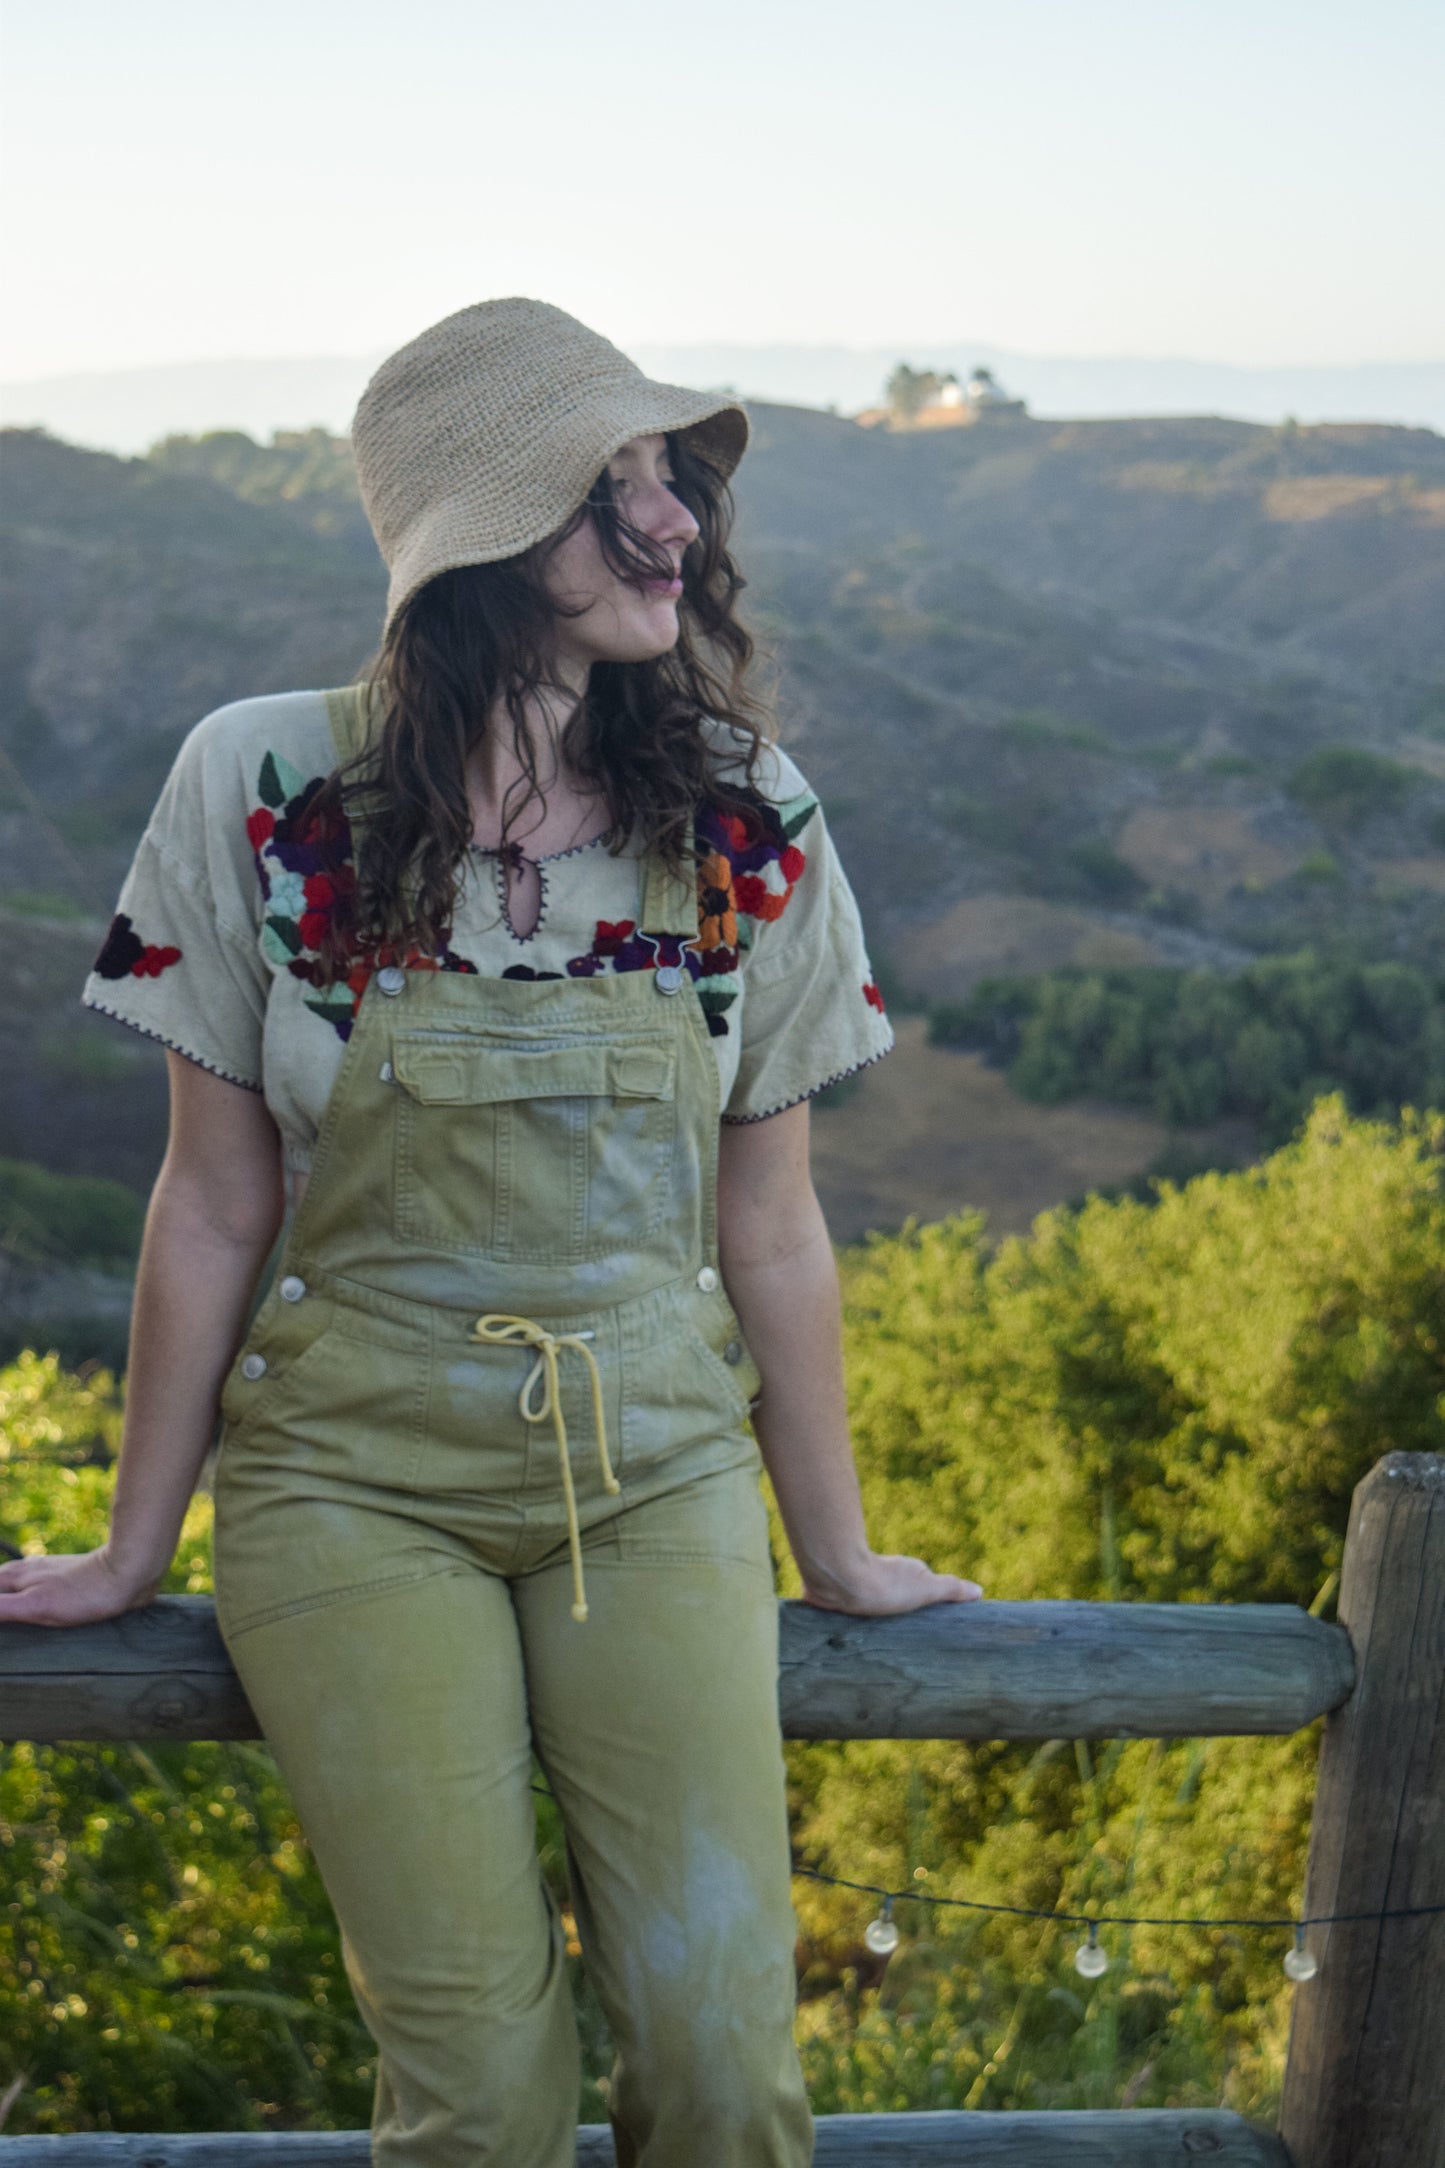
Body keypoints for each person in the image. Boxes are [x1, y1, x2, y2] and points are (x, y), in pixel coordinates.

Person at [0, 299, 981, 2166]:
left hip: (654, 1466)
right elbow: (213, 1199)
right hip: (348, 1478)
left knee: (725, 2076)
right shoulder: (264, 788)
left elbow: (770, 1225)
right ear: (483, 530)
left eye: (672, 480)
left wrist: (837, 1550)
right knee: (479, 2096)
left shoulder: (745, 813)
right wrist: (135, 1543)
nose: (674, 523)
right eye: (615, 489)